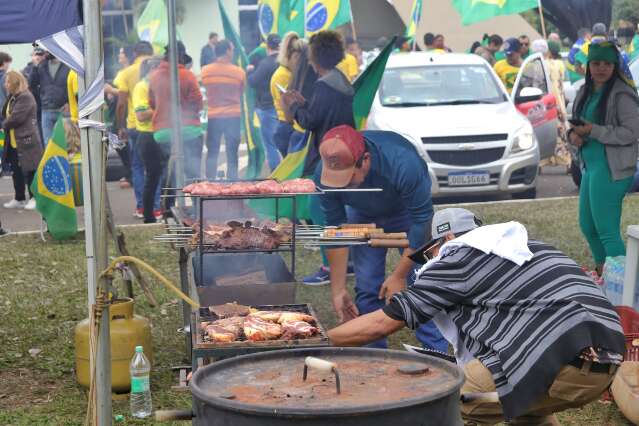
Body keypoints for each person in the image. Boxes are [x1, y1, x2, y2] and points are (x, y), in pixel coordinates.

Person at [328, 207, 625, 425]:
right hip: (605, 361)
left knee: (444, 400)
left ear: (446, 238)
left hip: (565, 362)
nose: (429, 262)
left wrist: (320, 337)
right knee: (524, 406)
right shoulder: (524, 246)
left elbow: (383, 323)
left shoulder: (458, 257)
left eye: (429, 253)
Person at [315, 125, 446, 352]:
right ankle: (375, 355)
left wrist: (399, 275)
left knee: (422, 282)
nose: (341, 185)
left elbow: (423, 223)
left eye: (347, 177)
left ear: (365, 160)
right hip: (362, 214)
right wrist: (337, 290)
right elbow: (335, 230)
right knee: (367, 287)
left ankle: (436, 352)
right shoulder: (324, 172)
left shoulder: (403, 163)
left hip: (407, 212)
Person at [282, 30, 355, 286]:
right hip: (343, 149)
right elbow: (321, 113)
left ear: (316, 57)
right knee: (335, 210)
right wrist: (306, 104)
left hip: (328, 154)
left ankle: (329, 266)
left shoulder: (325, 85)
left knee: (320, 210)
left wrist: (294, 107)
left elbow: (312, 121)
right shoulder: (339, 79)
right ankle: (347, 261)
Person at [568, 41, 639, 277]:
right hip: (591, 167)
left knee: (607, 231)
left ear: (614, 65)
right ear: (588, 66)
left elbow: (632, 132)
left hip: (612, 169)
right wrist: (573, 135)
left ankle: (627, 288)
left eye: (607, 63)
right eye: (596, 63)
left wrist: (594, 131)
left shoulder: (623, 94)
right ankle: (606, 278)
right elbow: (577, 124)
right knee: (588, 226)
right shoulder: (584, 92)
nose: (601, 68)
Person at [148, 41, 204, 183]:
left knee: (167, 175)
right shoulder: (188, 75)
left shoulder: (154, 77)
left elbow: (152, 103)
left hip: (162, 133)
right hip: (188, 130)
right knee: (193, 174)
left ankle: (167, 204)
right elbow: (197, 102)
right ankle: (196, 204)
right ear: (180, 57)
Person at [116, 41, 154, 218]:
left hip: (134, 125)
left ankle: (141, 207)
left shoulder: (126, 72)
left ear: (134, 53)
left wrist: (120, 125)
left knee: (138, 167)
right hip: (155, 124)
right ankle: (157, 206)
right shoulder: (159, 70)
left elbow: (121, 103)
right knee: (156, 168)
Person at [201, 39, 245, 180]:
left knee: (212, 151)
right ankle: (232, 182)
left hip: (214, 115)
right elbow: (241, 92)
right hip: (233, 115)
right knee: (232, 152)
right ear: (227, 51)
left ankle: (210, 181)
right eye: (232, 49)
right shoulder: (239, 72)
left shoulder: (205, 71)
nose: (233, 51)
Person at [1, 71, 43, 210]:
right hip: (13, 141)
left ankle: (34, 198)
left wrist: (3, 126)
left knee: (30, 169)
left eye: (7, 82)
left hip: (27, 140)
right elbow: (5, 114)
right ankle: (19, 198)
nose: (5, 84)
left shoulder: (26, 97)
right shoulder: (12, 97)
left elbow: (16, 118)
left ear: (15, 82)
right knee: (16, 170)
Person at [133, 57, 164, 223]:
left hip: (161, 135)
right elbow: (141, 114)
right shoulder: (141, 86)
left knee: (164, 175)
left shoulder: (159, 86)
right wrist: (162, 108)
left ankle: (163, 210)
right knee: (152, 177)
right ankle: (148, 216)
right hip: (147, 137)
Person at [248, 34, 281, 171]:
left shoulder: (266, 63)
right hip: (284, 107)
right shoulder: (285, 62)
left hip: (268, 107)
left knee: (270, 144)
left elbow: (252, 81)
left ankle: (277, 175)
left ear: (267, 46)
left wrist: (249, 72)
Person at [270, 32, 305, 158]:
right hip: (287, 127)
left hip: (289, 126)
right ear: (292, 57)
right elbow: (288, 110)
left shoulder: (286, 72)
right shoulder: (284, 75)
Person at [28, 51, 69, 146]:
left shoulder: (67, 66)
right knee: (48, 143)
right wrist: (36, 65)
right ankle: (52, 161)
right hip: (46, 110)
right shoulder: (41, 66)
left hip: (63, 110)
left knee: (66, 142)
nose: (45, 53)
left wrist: (69, 102)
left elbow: (72, 85)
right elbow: (31, 84)